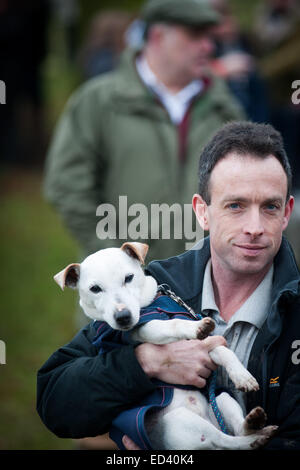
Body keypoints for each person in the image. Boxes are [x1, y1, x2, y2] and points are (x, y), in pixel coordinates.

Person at [37, 121, 300, 450]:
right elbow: (55, 402)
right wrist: (146, 362)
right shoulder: (152, 287)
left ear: (287, 212)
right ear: (202, 213)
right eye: (235, 206)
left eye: (270, 207)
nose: (254, 227)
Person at [43, 0, 244, 264]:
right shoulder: (98, 101)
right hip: (120, 294)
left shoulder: (225, 108)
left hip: (206, 289)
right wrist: (115, 260)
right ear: (158, 36)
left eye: (209, 36)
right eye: (195, 35)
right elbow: (66, 185)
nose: (208, 46)